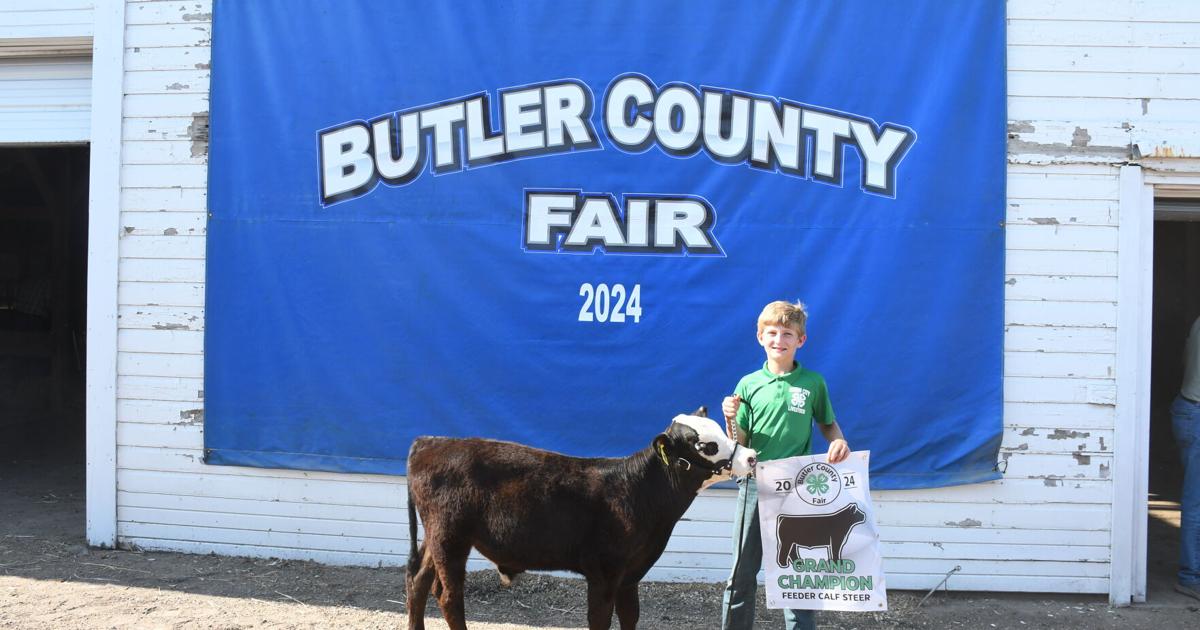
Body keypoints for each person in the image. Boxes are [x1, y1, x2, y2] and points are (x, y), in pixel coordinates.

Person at [720, 300, 850, 630]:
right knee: (742, 573)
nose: (780, 340)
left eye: (788, 334)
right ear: (760, 337)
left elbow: (828, 425)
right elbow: (739, 442)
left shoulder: (813, 383)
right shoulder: (748, 385)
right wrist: (730, 418)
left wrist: (838, 441)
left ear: (800, 340)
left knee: (796, 573)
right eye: (773, 333)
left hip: (796, 487)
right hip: (754, 484)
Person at [1174, 314, 1200, 601]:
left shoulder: (1197, 321)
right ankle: (1190, 577)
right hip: (1197, 412)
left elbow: (1185, 362)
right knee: (1196, 501)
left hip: (1187, 409)